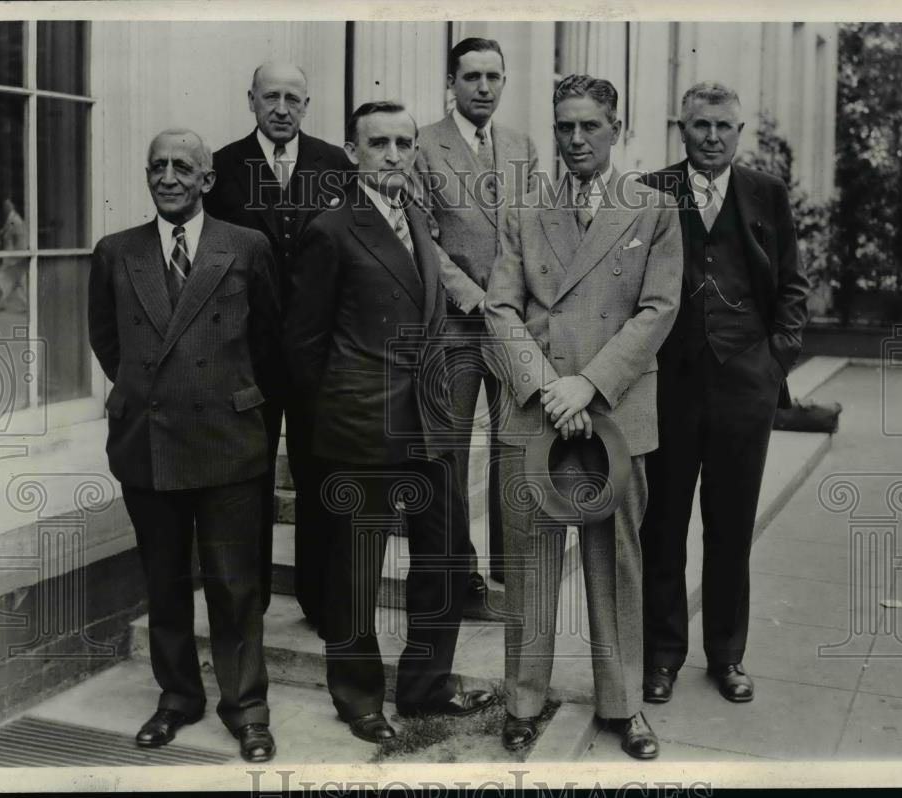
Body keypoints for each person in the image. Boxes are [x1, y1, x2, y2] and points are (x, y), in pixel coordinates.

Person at [284, 101, 495, 743]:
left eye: (405, 142)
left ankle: (425, 687)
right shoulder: (332, 230)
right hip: (361, 428)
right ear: (353, 153)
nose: (395, 154)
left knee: (446, 560)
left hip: (428, 425)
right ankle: (357, 697)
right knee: (356, 571)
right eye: (379, 144)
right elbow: (302, 348)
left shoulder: (418, 220)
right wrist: (322, 440)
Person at [484, 75, 683, 759]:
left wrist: (589, 386)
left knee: (617, 563)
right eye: (564, 126)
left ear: (615, 128)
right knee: (531, 564)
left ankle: (623, 704)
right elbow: (499, 309)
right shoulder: (524, 209)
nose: (574, 140)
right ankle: (523, 698)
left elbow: (658, 310)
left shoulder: (653, 209)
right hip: (537, 411)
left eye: (589, 126)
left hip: (615, 414)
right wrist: (548, 388)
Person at [88, 129, 280, 762]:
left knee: (234, 586)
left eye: (182, 167)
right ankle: (177, 698)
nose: (168, 176)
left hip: (228, 440)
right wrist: (148, 391)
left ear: (207, 180)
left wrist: (235, 395)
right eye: (157, 166)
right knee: (165, 583)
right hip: (150, 441)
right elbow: (109, 342)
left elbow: (270, 341)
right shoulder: (117, 251)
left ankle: (247, 707)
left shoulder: (246, 245)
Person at [638, 82, 809, 705]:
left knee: (731, 527)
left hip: (745, 387)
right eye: (700, 125)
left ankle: (727, 656)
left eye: (723, 127)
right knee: (663, 524)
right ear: (680, 130)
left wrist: (773, 361)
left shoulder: (767, 193)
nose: (712, 137)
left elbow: (793, 285)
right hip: (669, 388)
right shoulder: (650, 192)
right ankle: (660, 657)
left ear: (740, 134)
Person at [204, 61, 351, 623]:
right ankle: (250, 600)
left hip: (320, 356)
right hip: (249, 356)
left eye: (293, 97)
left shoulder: (334, 165)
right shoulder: (221, 168)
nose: (282, 108)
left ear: (307, 104)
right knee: (248, 479)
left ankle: (320, 600)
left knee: (320, 474)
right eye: (271, 97)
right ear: (252, 101)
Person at [415, 37, 539, 591]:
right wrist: (473, 296)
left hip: (512, 325)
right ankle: (455, 574)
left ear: (504, 82)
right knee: (448, 452)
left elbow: (535, 230)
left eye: (494, 77)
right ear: (452, 83)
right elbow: (424, 240)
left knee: (513, 449)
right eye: (472, 77)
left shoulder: (521, 146)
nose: (484, 88)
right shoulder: (421, 145)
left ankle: (509, 571)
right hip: (456, 324)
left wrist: (512, 302)